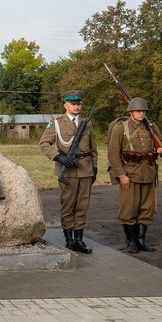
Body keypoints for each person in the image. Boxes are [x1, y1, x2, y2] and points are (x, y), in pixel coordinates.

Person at [39, 90, 97, 254]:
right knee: (68, 205)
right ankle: (69, 240)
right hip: (67, 170)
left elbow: (93, 148)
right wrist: (58, 157)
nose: (77, 106)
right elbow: (44, 144)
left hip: (85, 169)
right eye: (73, 103)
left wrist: (95, 166)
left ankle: (79, 240)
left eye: (79, 103)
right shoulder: (57, 122)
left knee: (82, 206)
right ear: (65, 104)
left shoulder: (87, 123)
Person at [108, 97, 162, 253]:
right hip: (130, 174)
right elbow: (113, 154)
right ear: (131, 112)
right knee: (129, 209)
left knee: (147, 209)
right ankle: (131, 241)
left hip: (148, 173)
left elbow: (161, 146)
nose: (141, 114)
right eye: (138, 111)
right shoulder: (120, 128)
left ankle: (141, 240)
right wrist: (121, 175)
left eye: (143, 111)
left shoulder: (151, 126)